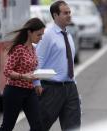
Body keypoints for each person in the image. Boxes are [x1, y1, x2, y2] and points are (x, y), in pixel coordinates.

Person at [34, 1, 81, 130]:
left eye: (69, 12)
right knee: (40, 126)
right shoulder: (48, 35)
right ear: (55, 15)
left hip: (70, 88)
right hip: (51, 89)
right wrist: (37, 84)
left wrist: (74, 86)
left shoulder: (68, 35)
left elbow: (68, 64)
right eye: (65, 13)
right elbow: (38, 61)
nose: (69, 15)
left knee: (73, 127)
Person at [0, 17, 45, 131]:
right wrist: (23, 76)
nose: (41, 38)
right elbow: (7, 70)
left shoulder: (33, 49)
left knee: (38, 125)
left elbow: (31, 68)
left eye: (42, 35)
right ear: (29, 32)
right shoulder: (18, 49)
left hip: (30, 91)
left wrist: (37, 82)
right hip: (14, 91)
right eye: (39, 35)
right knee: (7, 126)